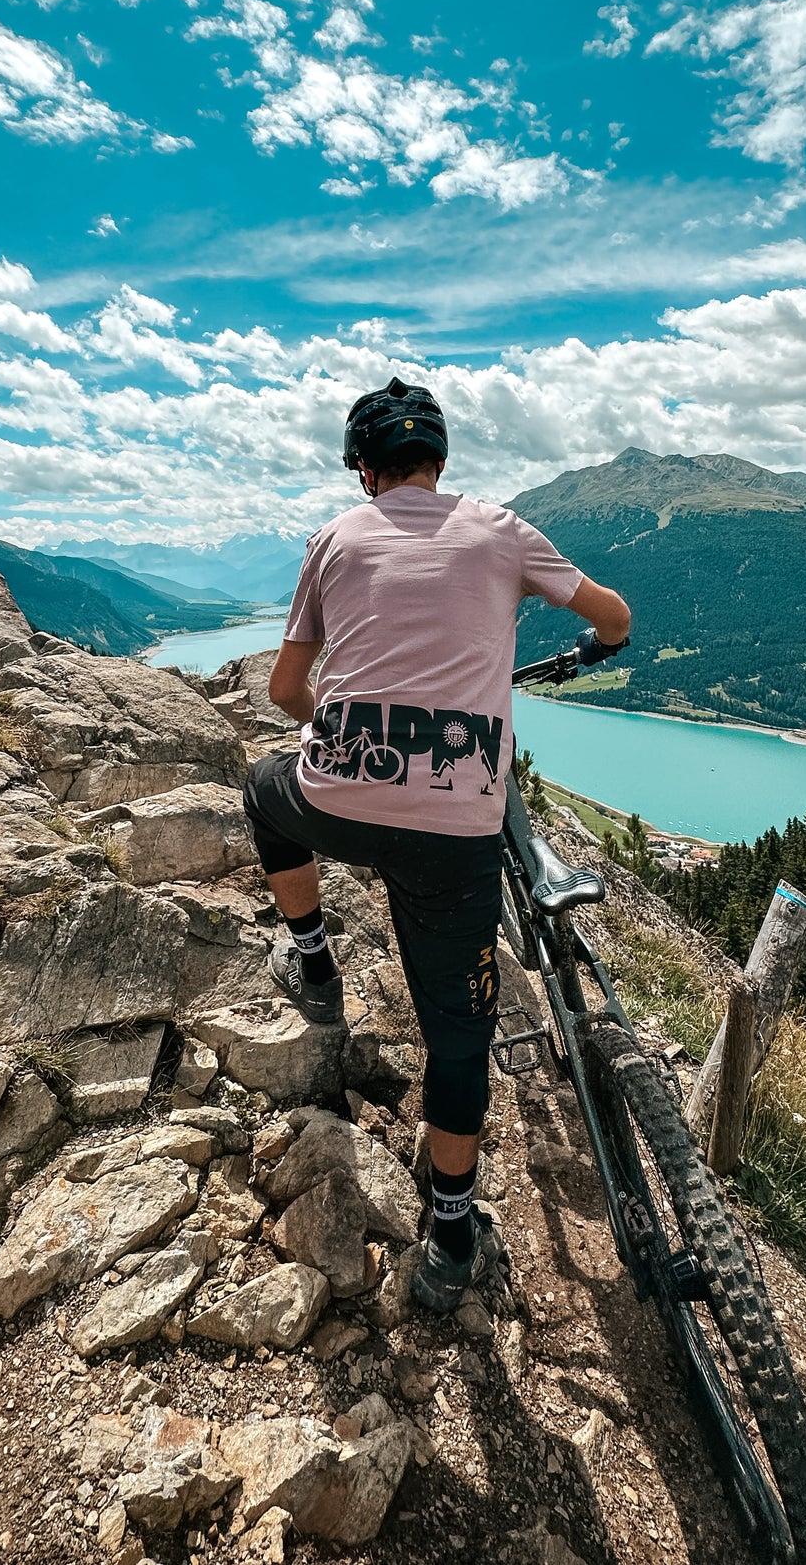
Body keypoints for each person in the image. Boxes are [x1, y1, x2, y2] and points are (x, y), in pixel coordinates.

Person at [242, 378, 631, 1312]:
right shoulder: (499, 528)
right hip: (453, 831)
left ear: (364, 469)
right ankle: (450, 1235)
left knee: (262, 791)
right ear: (440, 461)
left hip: (335, 800)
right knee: (459, 1040)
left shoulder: (334, 536)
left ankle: (313, 962)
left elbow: (286, 687)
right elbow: (610, 617)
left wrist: (335, 739)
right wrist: (593, 649)